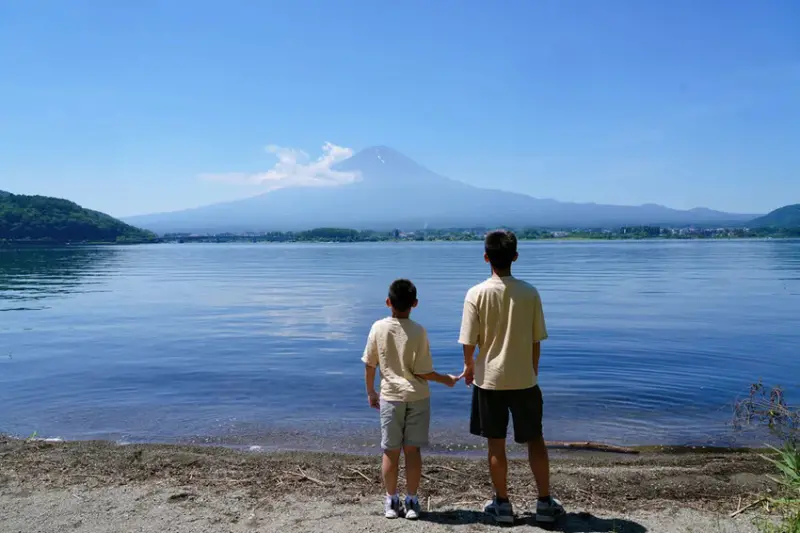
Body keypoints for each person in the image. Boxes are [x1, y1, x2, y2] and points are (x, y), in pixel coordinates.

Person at [459, 230, 565, 525]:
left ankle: (502, 504)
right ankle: (544, 502)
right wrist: (532, 371)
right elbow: (535, 341)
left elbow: (468, 341)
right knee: (536, 441)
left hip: (489, 381)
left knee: (496, 444)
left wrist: (469, 367)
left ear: (485, 257)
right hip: (524, 380)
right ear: (515, 257)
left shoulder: (476, 294)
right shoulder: (529, 292)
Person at [363, 278, 461, 520]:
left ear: (388, 302)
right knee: (412, 450)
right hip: (417, 396)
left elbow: (369, 365)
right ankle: (412, 500)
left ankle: (390, 500)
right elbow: (423, 372)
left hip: (391, 397)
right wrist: (446, 379)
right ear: (415, 303)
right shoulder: (419, 331)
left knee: (390, 451)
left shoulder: (378, 327)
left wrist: (371, 392)